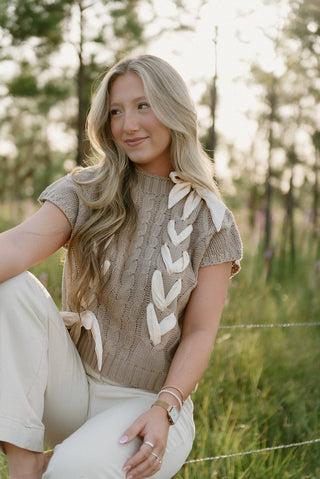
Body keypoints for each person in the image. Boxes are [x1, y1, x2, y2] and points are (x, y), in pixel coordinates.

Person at [0, 54, 242, 479]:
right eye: (115, 111)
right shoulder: (85, 190)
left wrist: (165, 408)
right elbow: (17, 245)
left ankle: (56, 465)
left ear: (174, 108)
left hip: (148, 405)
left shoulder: (211, 220)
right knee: (10, 286)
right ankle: (22, 460)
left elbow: (201, 332)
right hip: (71, 385)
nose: (128, 125)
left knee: (72, 472)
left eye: (143, 106)